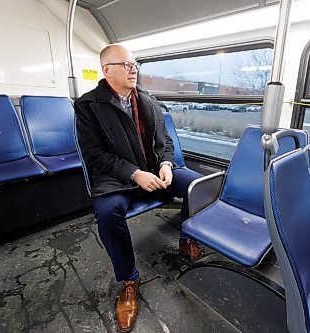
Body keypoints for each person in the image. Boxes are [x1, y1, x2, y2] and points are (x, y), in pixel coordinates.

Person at [74, 44, 205, 332]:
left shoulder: (148, 100)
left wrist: (167, 165)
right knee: (108, 214)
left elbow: (165, 142)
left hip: (156, 172)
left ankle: (187, 236)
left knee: (199, 185)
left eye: (135, 64)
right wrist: (135, 174)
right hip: (117, 178)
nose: (133, 69)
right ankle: (129, 280)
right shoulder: (88, 106)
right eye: (126, 65)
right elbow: (95, 155)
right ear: (107, 70)